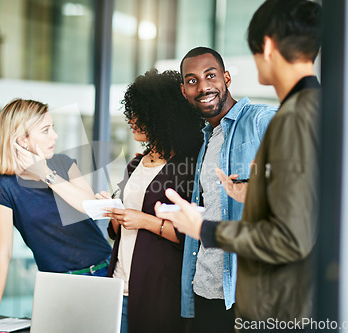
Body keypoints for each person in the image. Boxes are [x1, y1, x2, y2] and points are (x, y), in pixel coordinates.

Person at [156, 0, 322, 328]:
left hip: (266, 304)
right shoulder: (313, 108)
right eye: (192, 80)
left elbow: (292, 236)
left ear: (268, 46)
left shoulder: (282, 118)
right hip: (213, 292)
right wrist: (256, 192)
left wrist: (201, 228)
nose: (203, 86)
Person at [0, 99, 112, 329]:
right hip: (56, 284)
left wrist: (46, 173)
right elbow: (3, 253)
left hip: (104, 272)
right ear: (22, 140)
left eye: (53, 127)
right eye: (46, 130)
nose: (55, 136)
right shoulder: (3, 186)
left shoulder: (62, 164)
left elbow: (88, 206)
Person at [175, 46, 277, 332]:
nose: (204, 86)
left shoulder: (261, 120)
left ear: (226, 78)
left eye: (211, 75)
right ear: (184, 91)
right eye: (193, 80)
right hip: (206, 291)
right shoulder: (207, 140)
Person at [97, 69, 202, 333]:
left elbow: (190, 236)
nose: (131, 119)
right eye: (131, 111)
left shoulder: (187, 167)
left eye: (140, 113)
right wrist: (114, 212)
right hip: (119, 283)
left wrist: (144, 221)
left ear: (162, 117)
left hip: (158, 290)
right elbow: (119, 230)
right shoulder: (135, 164)